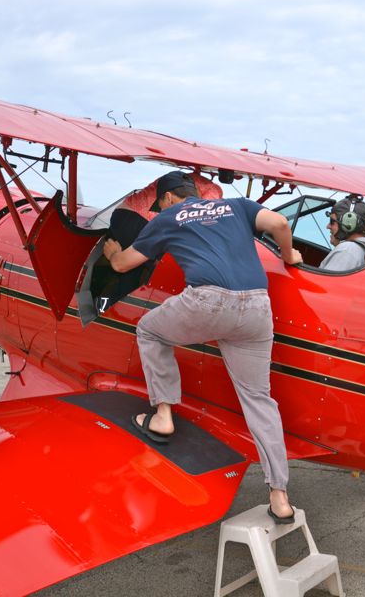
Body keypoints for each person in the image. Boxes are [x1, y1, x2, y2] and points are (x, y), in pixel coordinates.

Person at [103, 170, 303, 523]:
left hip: (208, 302)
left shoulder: (168, 217)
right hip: (257, 306)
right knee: (258, 399)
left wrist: (112, 252)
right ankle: (280, 496)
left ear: (167, 198)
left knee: (150, 332)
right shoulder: (237, 205)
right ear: (195, 192)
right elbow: (280, 223)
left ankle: (163, 416)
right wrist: (289, 257)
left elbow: (124, 264)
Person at [319, 195, 365, 271]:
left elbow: (323, 282)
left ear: (349, 223)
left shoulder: (346, 250)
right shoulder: (359, 250)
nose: (328, 226)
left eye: (332, 222)